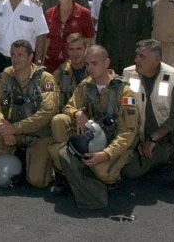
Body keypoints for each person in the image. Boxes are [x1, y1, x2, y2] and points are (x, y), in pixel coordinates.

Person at [50, 45, 138, 208]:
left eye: (94, 63)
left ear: (106, 63)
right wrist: (77, 113)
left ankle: (113, 180)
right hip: (91, 137)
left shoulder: (124, 91)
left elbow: (128, 132)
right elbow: (69, 107)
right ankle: (65, 172)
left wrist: (106, 154)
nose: (89, 68)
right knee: (59, 121)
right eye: (87, 64)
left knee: (103, 172)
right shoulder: (85, 85)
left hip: (113, 142)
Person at [122, 39, 174, 191]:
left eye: (142, 57)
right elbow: (125, 107)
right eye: (136, 56)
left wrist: (154, 138)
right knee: (130, 171)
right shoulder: (128, 74)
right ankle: (164, 155)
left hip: (167, 133)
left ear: (157, 59)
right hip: (142, 135)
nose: (136, 60)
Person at [0, 40, 57, 189]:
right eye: (13, 54)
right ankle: (16, 159)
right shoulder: (5, 76)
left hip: (37, 136)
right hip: (12, 135)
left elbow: (47, 111)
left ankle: (36, 163)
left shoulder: (45, 78)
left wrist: (15, 128)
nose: (15, 59)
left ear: (30, 57)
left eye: (20, 55)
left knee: (37, 181)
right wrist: (3, 126)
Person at [96, 0, 153, 71]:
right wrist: (99, 53)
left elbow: (146, 32)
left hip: (132, 57)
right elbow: (101, 29)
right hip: (110, 56)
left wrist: (142, 56)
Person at [43, 0, 93, 73]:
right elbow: (46, 39)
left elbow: (88, 40)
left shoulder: (84, 13)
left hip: (75, 64)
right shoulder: (49, 13)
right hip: (51, 63)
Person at [52, 33, 89, 114]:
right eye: (71, 49)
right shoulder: (59, 74)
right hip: (67, 115)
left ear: (86, 49)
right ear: (67, 50)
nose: (75, 54)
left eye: (79, 49)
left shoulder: (94, 71)